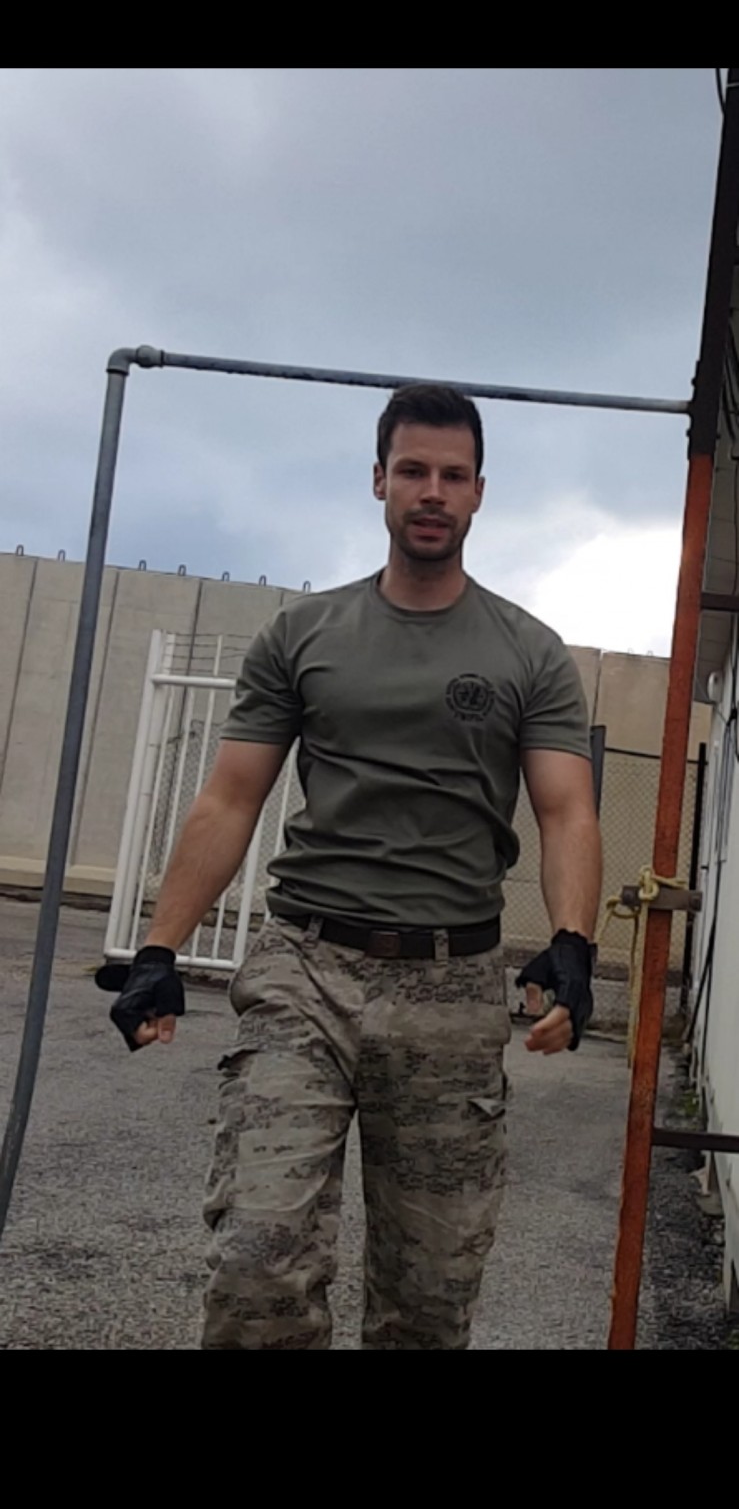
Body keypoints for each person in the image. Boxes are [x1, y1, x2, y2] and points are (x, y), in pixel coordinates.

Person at [98, 383, 603, 1350]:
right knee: (257, 1263)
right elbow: (230, 797)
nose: (431, 491)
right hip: (307, 968)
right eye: (412, 470)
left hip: (452, 981)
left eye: (451, 475)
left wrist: (572, 942)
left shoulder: (528, 652)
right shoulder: (304, 635)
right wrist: (159, 948)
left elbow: (565, 809)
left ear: (478, 492)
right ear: (378, 480)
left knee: (428, 1302)